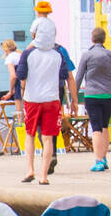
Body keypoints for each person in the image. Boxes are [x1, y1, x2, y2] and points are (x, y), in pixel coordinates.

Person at [15, 22, 73, 184]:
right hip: (52, 99)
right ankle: (44, 176)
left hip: (32, 99)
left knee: (30, 134)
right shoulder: (58, 55)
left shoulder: (28, 54)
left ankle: (30, 170)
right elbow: (64, 75)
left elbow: (21, 75)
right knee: (48, 138)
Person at [77, 27, 111, 172]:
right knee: (104, 126)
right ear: (104, 40)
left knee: (96, 128)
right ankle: (104, 157)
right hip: (109, 95)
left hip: (92, 95)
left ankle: (98, 161)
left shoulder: (87, 55)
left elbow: (78, 77)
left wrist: (73, 96)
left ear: (92, 39)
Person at [0, 39, 22, 154]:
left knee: (20, 116)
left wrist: (11, 90)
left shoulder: (10, 58)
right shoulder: (20, 54)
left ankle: (21, 144)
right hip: (28, 85)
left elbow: (13, 76)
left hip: (19, 86)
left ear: (5, 48)